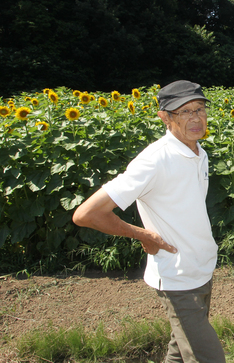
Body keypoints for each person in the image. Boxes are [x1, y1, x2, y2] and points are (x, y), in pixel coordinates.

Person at [73, 80, 226, 363]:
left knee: (179, 353)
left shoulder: (198, 152)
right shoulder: (155, 160)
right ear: (165, 117)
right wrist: (143, 234)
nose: (196, 118)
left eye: (200, 109)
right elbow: (87, 214)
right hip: (177, 278)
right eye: (184, 112)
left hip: (201, 269)